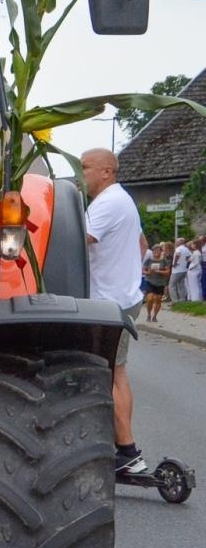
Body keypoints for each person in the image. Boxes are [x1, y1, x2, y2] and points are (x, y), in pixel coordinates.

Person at [80, 148, 146, 476]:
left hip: (111, 303)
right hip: (121, 296)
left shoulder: (106, 202)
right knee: (113, 371)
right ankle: (118, 444)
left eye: (85, 167)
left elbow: (78, 237)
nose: (82, 174)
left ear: (106, 171)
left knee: (113, 373)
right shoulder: (122, 200)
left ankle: (128, 451)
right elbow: (143, 244)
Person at [141, 243, 170, 322]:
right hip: (150, 281)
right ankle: (149, 314)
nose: (156, 252)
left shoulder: (164, 261)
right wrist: (148, 272)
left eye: (158, 250)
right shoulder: (148, 260)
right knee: (150, 298)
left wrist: (159, 271)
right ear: (152, 251)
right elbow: (143, 270)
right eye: (155, 250)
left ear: (161, 252)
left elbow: (168, 272)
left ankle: (154, 316)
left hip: (160, 283)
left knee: (158, 300)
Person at [168, 237, 191, 302]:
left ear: (180, 242)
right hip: (184, 269)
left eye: (176, 241)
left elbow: (177, 255)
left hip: (176, 270)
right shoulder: (186, 249)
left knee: (171, 285)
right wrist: (185, 261)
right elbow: (189, 257)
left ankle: (175, 300)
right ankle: (182, 299)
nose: (175, 243)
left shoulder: (178, 248)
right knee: (181, 284)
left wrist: (175, 263)